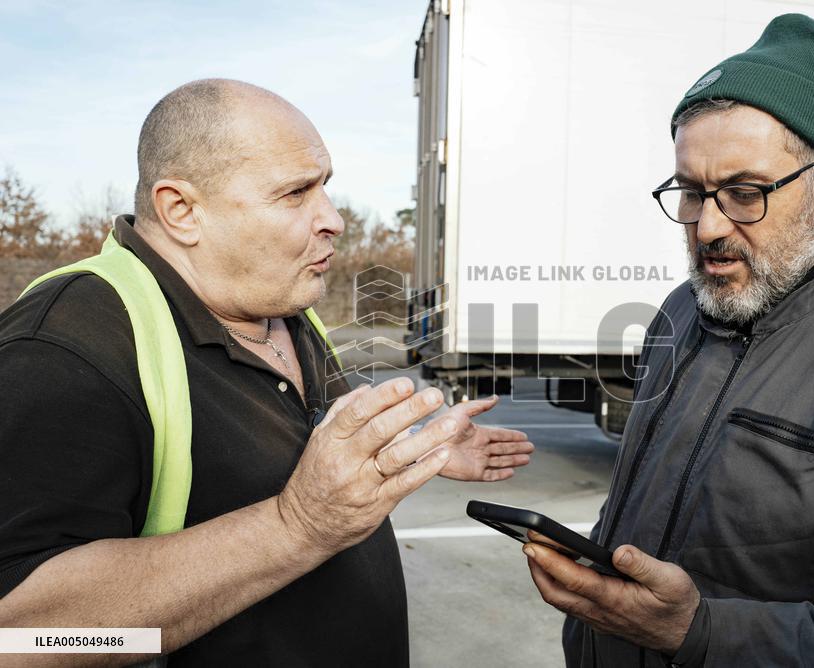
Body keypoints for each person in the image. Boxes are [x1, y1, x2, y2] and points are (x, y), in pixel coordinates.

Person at [0, 79, 533, 666]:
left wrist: (408, 453)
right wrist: (296, 526)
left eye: (325, 187)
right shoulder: (65, 345)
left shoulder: (285, 307)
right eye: (295, 193)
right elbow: (24, 639)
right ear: (181, 210)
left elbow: (300, 469)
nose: (332, 218)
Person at [522, 13, 814, 667]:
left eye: (744, 193)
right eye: (691, 193)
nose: (709, 227)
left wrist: (699, 632)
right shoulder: (679, 314)